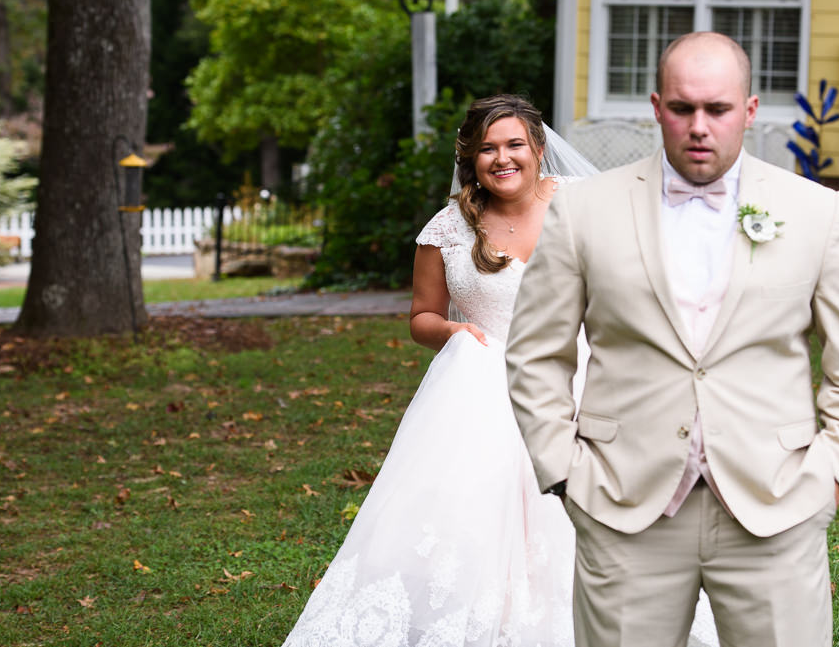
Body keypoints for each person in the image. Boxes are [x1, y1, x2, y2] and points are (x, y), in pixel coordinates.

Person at [280, 94, 719, 646]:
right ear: (470, 158)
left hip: (587, 380)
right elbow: (421, 317)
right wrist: (454, 333)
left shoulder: (588, 203)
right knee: (479, 525)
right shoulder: (447, 229)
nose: (502, 158)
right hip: (484, 389)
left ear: (538, 148)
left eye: (514, 144)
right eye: (487, 148)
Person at [506, 33, 839, 647]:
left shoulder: (817, 212)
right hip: (623, 507)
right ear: (657, 108)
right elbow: (534, 352)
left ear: (750, 110)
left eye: (717, 109)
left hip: (777, 506)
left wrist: (831, 474)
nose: (699, 127)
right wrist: (564, 472)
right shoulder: (584, 212)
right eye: (683, 109)